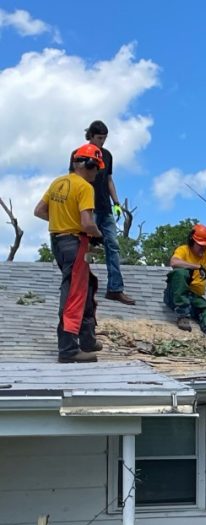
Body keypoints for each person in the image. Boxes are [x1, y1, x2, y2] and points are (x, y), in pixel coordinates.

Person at [34, 144, 106, 363]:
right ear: (88, 164)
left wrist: (62, 222)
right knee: (73, 295)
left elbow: (39, 211)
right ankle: (67, 350)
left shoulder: (58, 182)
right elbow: (87, 223)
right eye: (95, 168)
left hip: (59, 242)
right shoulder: (84, 187)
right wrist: (98, 234)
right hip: (75, 243)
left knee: (86, 286)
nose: (96, 173)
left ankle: (87, 340)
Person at [72, 120, 135, 305]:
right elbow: (74, 179)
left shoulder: (107, 155)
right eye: (99, 138)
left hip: (104, 207)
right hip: (86, 207)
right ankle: (78, 287)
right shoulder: (79, 154)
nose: (102, 142)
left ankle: (115, 289)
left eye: (105, 138)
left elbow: (109, 180)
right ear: (91, 136)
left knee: (112, 245)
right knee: (83, 246)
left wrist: (116, 202)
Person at [165, 223, 206, 338]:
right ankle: (182, 315)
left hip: (194, 297)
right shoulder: (183, 250)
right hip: (175, 295)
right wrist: (197, 267)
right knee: (180, 272)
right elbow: (174, 262)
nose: (204, 248)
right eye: (201, 245)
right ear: (192, 241)